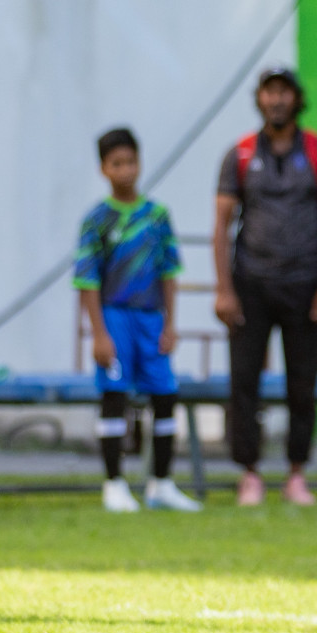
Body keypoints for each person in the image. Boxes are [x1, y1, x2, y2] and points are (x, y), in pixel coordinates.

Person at [214, 68, 317, 506]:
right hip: (250, 283)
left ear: (296, 98)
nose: (276, 100)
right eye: (269, 92)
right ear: (259, 99)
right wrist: (224, 289)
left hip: (306, 286)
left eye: (284, 92)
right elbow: (221, 224)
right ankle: (249, 473)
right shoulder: (240, 154)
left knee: (302, 385)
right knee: (244, 381)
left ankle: (296, 473)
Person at [73, 128, 202, 513]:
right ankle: (113, 484)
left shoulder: (157, 216)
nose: (125, 170)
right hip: (114, 317)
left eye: (130, 162)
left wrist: (170, 324)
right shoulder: (97, 220)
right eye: (116, 164)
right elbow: (86, 280)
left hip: (151, 319)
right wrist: (98, 333)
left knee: (165, 396)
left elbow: (169, 271)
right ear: (103, 169)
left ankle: (160, 483)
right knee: (114, 397)